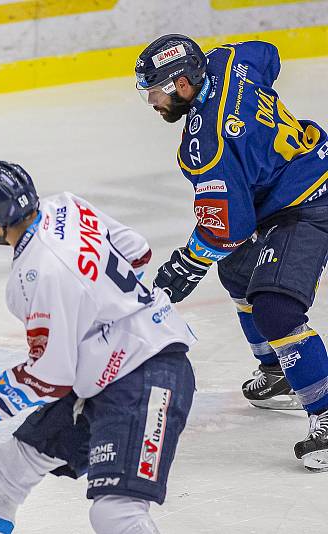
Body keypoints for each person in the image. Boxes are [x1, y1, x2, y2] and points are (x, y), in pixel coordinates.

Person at [0, 161, 196, 534]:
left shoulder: (38, 273)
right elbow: (138, 252)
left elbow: (51, 376)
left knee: (116, 514)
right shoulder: (66, 205)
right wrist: (102, 310)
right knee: (11, 467)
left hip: (145, 373)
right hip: (110, 369)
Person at [135, 34, 328, 470]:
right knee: (238, 269)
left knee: (275, 308)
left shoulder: (208, 146)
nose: (152, 101)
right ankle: (279, 372)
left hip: (312, 200)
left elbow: (229, 229)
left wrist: (185, 265)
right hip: (288, 184)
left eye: (158, 91)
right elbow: (268, 54)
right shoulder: (227, 59)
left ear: (184, 84)